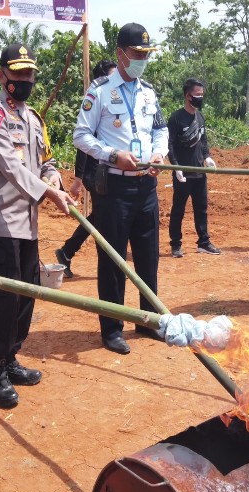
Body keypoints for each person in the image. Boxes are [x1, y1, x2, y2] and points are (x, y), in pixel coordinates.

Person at [0, 44, 75, 408]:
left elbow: (45, 161)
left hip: (26, 224)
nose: (24, 80)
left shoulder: (34, 118)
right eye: (17, 74)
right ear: (3, 76)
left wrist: (55, 180)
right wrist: (49, 193)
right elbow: (10, 166)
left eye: (29, 74)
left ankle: (11, 357)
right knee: (7, 296)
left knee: (29, 292)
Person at [72, 22, 168, 354]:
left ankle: (148, 319)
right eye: (137, 54)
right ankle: (112, 327)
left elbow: (161, 130)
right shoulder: (98, 92)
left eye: (146, 54)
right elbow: (81, 136)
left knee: (148, 257)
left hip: (146, 188)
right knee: (112, 260)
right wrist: (112, 155)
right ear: (120, 54)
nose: (142, 59)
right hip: (113, 189)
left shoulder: (149, 92)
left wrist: (159, 153)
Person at [55, 59, 118, 277]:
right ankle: (68, 251)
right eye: (112, 75)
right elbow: (83, 145)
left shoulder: (115, 102)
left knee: (102, 215)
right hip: (95, 173)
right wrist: (79, 178)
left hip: (107, 172)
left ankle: (67, 251)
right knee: (103, 215)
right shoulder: (95, 101)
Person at [168, 78, 221, 258]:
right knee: (178, 210)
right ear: (187, 96)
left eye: (201, 95)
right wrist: (176, 167)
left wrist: (207, 157)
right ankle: (175, 244)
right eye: (197, 95)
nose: (200, 98)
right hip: (183, 173)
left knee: (202, 208)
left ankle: (203, 242)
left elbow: (203, 140)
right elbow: (170, 145)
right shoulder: (176, 118)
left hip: (200, 172)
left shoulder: (200, 116)